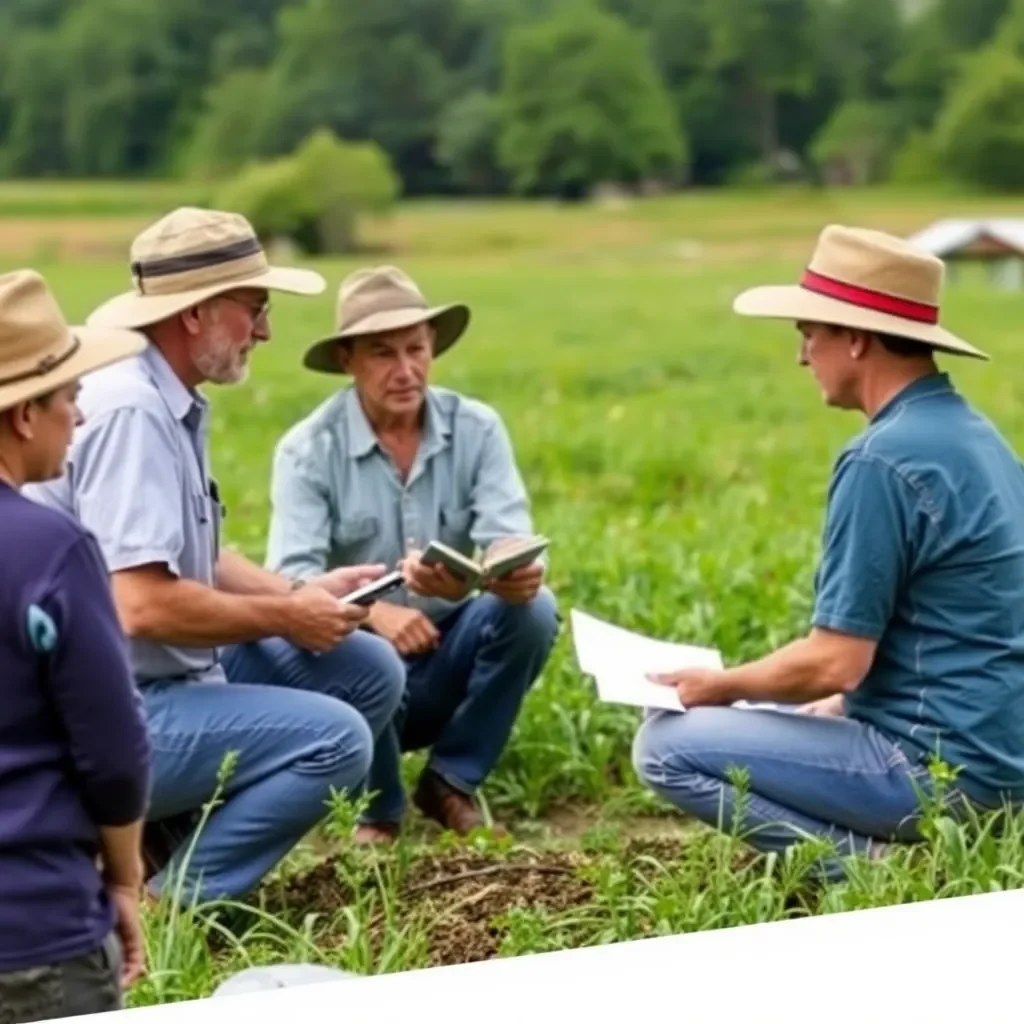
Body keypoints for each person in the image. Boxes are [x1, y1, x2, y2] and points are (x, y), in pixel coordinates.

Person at [25, 208, 406, 906]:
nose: (265, 330)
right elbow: (138, 604)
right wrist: (289, 619)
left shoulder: (165, 390)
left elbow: (187, 550)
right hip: (100, 710)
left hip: (151, 679)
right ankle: (172, 908)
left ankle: (159, 838)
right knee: (339, 742)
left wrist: (296, 593)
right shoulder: (132, 410)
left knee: (366, 667)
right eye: (254, 308)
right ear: (196, 314)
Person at [633, 224, 1024, 877]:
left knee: (665, 743)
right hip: (1001, 751)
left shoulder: (881, 458)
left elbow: (835, 662)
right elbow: (962, 621)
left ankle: (867, 873)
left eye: (807, 333)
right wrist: (833, 704)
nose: (802, 355)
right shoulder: (979, 439)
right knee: (768, 707)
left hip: (943, 771)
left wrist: (724, 685)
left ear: (855, 338)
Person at [265, 266, 559, 841]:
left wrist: (507, 573)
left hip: (449, 649)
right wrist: (376, 613)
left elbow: (509, 537)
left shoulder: (476, 428)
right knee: (338, 640)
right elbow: (292, 579)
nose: (406, 371)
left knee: (537, 609)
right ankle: (378, 809)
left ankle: (450, 782)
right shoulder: (307, 449)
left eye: (416, 350)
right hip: (359, 663)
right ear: (348, 360)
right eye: (382, 354)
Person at [0, 269, 151, 1019]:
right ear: (25, 414)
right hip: (35, 931)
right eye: (67, 396)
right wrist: (122, 880)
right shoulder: (49, 550)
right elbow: (114, 752)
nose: (80, 414)